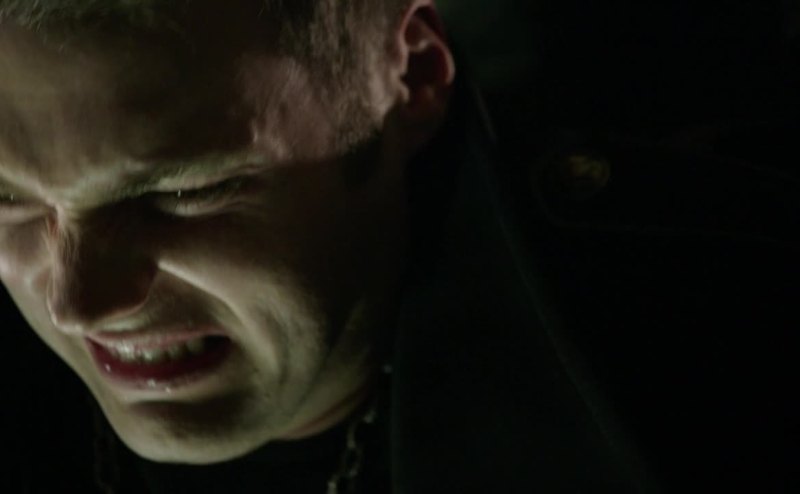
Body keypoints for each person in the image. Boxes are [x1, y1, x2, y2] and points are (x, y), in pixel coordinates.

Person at [1, 1, 797, 493]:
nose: (77, 302)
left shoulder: (720, 349)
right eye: (7, 200)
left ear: (411, 75)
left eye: (180, 191)